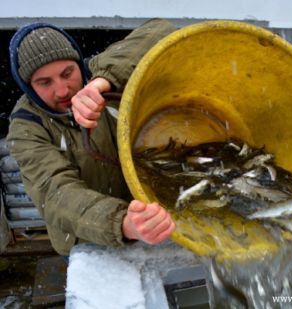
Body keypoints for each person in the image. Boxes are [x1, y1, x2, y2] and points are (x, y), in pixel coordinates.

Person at [6, 19, 177, 260]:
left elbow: (161, 30)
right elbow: (56, 194)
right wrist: (121, 223)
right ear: (28, 87)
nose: (63, 90)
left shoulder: (97, 73)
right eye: (44, 82)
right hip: (87, 242)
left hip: (145, 219)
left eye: (68, 73)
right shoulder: (27, 127)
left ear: (79, 64)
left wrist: (101, 82)